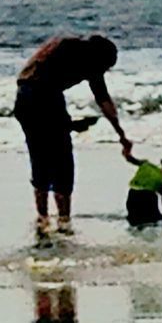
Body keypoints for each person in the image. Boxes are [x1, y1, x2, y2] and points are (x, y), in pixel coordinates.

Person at [13, 34, 133, 232]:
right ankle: (63, 220)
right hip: (43, 97)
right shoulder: (82, 55)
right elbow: (103, 100)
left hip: (25, 98)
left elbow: (42, 82)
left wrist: (69, 125)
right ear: (98, 58)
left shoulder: (68, 46)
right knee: (62, 162)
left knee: (40, 157)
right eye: (105, 67)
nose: (103, 71)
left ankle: (43, 218)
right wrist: (121, 135)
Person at [124, 155, 162, 226]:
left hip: (132, 195)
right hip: (147, 198)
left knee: (134, 218)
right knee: (155, 219)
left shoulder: (147, 165)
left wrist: (126, 152)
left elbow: (131, 159)